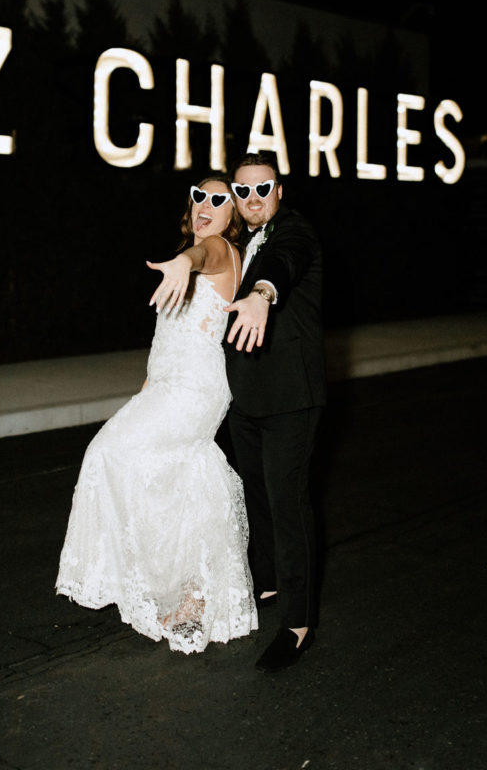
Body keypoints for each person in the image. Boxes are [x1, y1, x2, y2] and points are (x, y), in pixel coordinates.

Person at [56, 176, 258, 653]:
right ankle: (188, 592)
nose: (206, 204)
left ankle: (177, 587)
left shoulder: (220, 252)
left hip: (197, 389)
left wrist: (185, 261)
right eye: (199, 196)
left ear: (231, 216)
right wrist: (144, 391)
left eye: (219, 199)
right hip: (165, 387)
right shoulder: (185, 261)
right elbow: (165, 340)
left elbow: (201, 255)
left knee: (109, 455)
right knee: (167, 478)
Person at [224, 151, 326, 672]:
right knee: (257, 498)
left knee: (288, 504)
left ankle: (298, 622)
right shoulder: (237, 242)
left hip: (291, 396)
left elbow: (282, 262)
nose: (253, 199)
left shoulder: (295, 231)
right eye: (242, 191)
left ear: (280, 190)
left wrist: (263, 293)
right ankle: (265, 586)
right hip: (246, 396)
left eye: (262, 188)